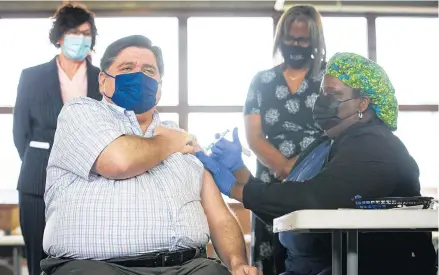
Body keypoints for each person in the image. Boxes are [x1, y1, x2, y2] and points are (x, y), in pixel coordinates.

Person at [196, 52, 438, 275]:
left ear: (362, 103)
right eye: (322, 93)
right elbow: (287, 208)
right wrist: (238, 170)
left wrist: (235, 189)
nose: (322, 100)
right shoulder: (324, 144)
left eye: (333, 94)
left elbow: (312, 198)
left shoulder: (374, 147)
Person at [40, 35, 258, 275]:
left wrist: (237, 262)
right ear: (103, 81)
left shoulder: (181, 139)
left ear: (159, 88)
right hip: (98, 267)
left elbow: (219, 217)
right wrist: (169, 141)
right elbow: (119, 161)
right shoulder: (80, 114)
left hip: (186, 267)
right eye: (127, 68)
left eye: (148, 70)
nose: (139, 76)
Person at [12, 4, 100, 275]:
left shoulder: (102, 79)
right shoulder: (32, 76)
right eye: (74, 32)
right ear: (60, 36)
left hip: (91, 181)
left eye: (86, 33)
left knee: (88, 258)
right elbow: (20, 133)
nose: (81, 38)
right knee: (38, 256)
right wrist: (40, 161)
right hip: (38, 179)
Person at [243, 5, 326, 274]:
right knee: (271, 255)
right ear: (281, 39)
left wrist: (302, 172)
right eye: (290, 38)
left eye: (302, 40)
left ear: (314, 41)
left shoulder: (329, 79)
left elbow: (336, 131)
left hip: (317, 180)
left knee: (316, 252)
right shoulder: (262, 81)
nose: (296, 45)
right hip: (271, 182)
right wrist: (287, 169)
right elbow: (254, 136)